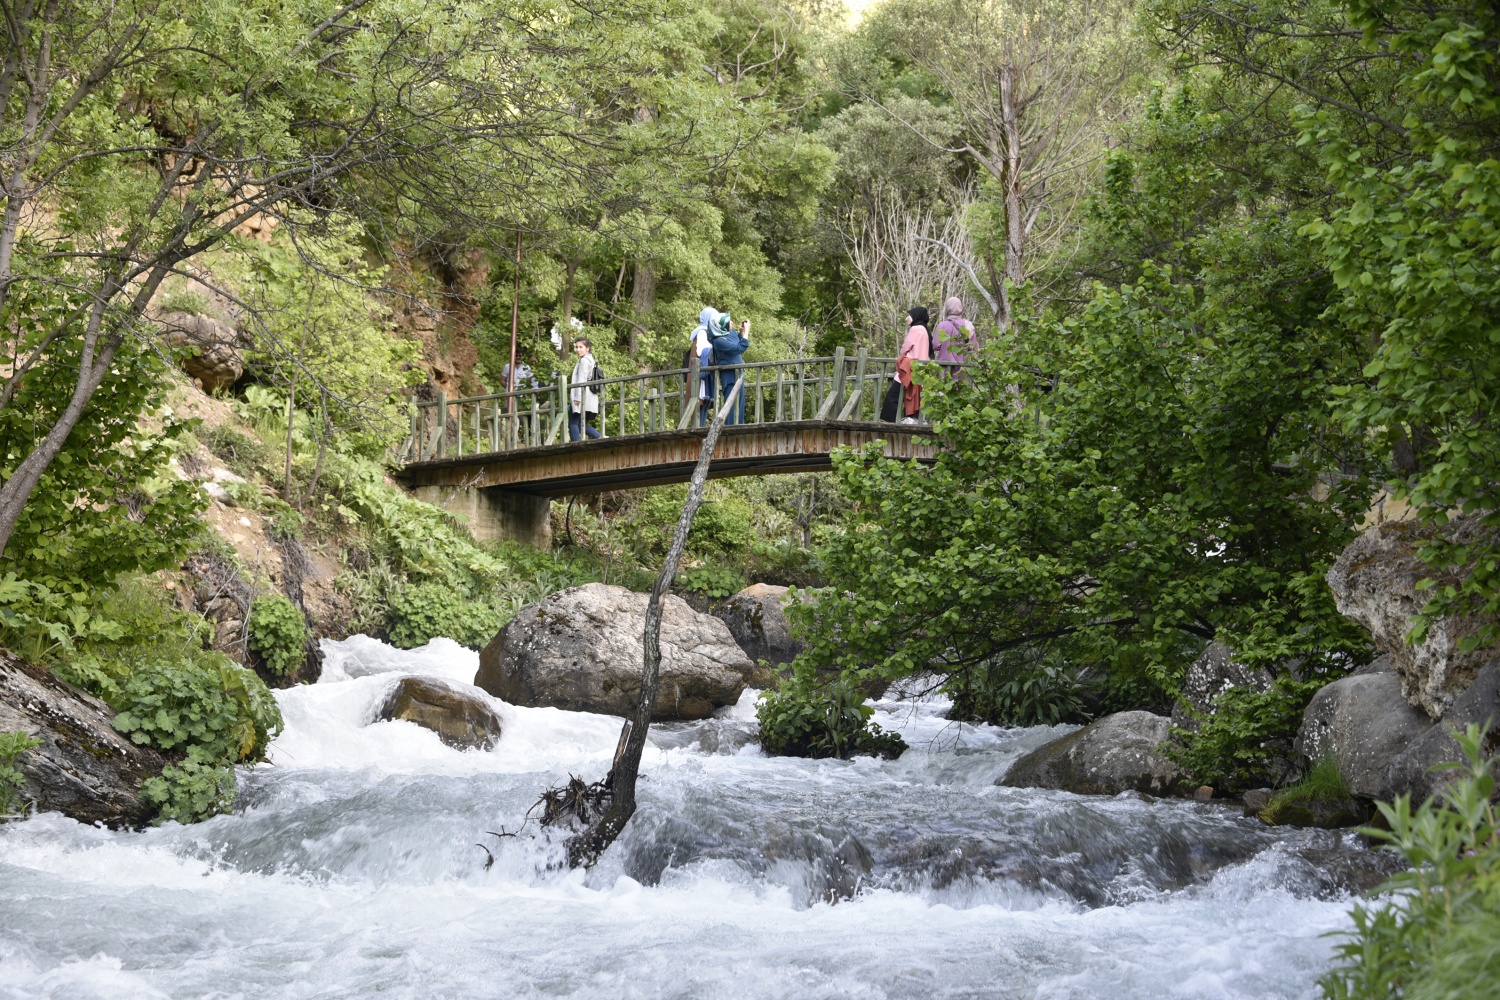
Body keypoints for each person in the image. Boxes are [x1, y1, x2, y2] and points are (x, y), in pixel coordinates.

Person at [880, 306, 930, 422]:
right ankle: (912, 420)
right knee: (914, 397)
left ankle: (890, 422)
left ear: (916, 316)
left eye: (909, 315)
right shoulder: (924, 330)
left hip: (909, 368)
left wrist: (901, 356)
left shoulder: (915, 329)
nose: (907, 318)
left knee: (893, 396)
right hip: (921, 369)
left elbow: (905, 347)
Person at [709, 312, 750, 424]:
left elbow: (738, 342)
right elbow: (740, 348)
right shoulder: (718, 341)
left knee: (740, 403)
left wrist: (741, 333)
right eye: (728, 321)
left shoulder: (730, 333)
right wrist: (747, 331)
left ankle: (739, 426)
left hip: (738, 372)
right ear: (722, 326)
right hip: (729, 375)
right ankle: (729, 427)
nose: (732, 322)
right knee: (730, 403)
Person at [685, 306, 720, 426]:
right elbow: (701, 350)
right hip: (700, 375)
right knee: (699, 403)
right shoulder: (702, 332)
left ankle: (702, 428)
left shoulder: (707, 332)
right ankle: (699, 428)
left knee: (705, 403)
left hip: (704, 373)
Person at [931, 296, 978, 376]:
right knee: (962, 384)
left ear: (947, 308)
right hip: (963, 369)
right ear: (960, 308)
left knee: (945, 383)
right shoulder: (968, 325)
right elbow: (974, 346)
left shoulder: (942, 325)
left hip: (945, 368)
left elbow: (935, 346)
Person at [568, 337, 602, 441]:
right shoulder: (590, 360)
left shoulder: (584, 361)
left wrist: (578, 397)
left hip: (582, 395)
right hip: (589, 396)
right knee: (580, 424)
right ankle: (601, 437)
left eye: (581, 347)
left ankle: (575, 445)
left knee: (573, 423)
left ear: (587, 348)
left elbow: (581, 380)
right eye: (576, 347)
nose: (578, 349)